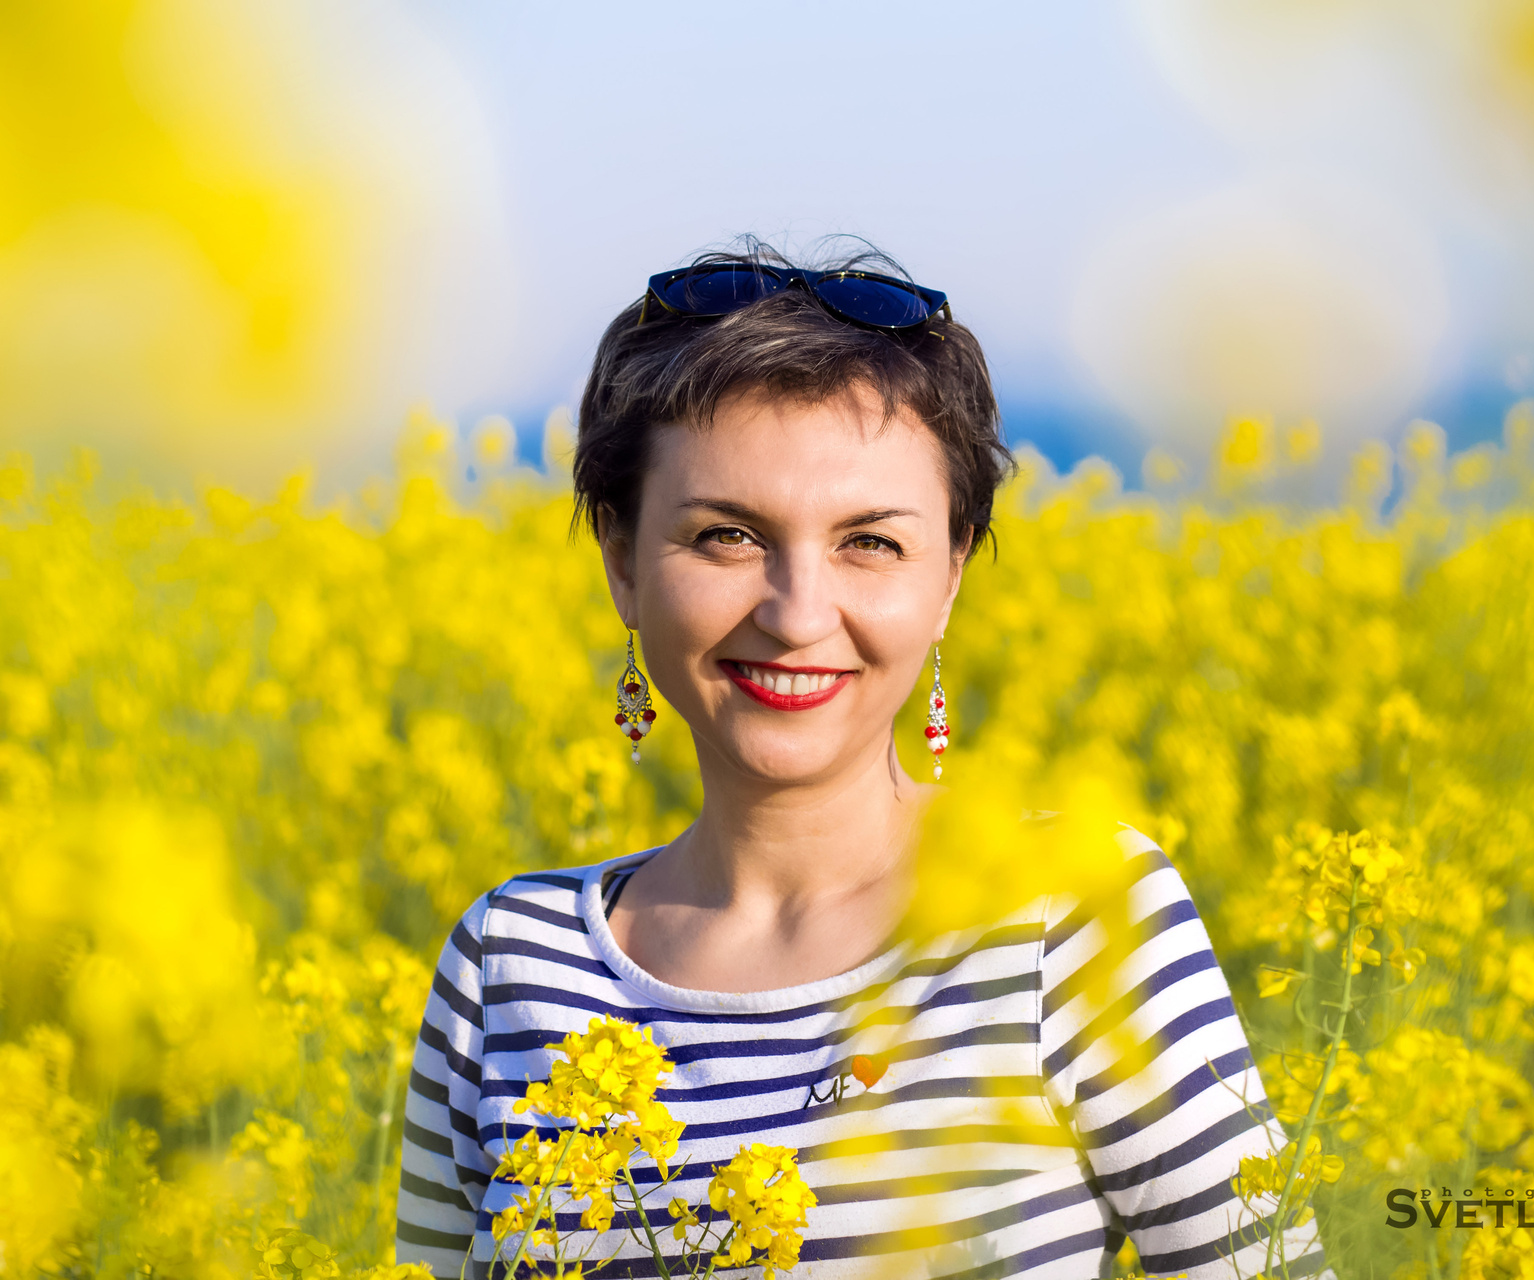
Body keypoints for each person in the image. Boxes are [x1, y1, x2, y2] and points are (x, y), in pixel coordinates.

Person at [394, 244, 1334, 1279]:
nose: (797, 614)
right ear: (622, 561)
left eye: (870, 542)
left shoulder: (1068, 912)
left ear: (951, 574)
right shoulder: (507, 966)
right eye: (726, 535)